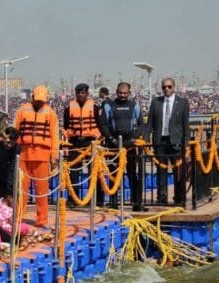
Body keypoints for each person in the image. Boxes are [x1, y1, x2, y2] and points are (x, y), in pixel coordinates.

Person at [14, 84, 59, 228]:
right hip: (24, 154)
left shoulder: (51, 113)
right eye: (37, 100)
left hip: (42, 156)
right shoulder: (22, 110)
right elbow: (15, 132)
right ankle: (18, 218)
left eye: (42, 100)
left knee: (42, 191)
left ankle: (42, 220)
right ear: (32, 97)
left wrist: (54, 157)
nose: (39, 102)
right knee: (22, 190)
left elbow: (54, 137)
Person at [99, 82, 146, 212]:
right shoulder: (109, 105)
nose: (122, 95)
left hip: (129, 147)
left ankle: (136, 203)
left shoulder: (134, 105)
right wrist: (112, 140)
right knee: (113, 175)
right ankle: (114, 203)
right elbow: (103, 125)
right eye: (120, 93)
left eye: (125, 93)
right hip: (113, 146)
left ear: (129, 93)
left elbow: (142, 124)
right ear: (116, 91)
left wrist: (133, 139)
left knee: (132, 174)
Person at [146, 77, 190, 207]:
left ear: (174, 87)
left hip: (176, 142)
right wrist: (145, 139)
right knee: (161, 172)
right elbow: (150, 123)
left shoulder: (182, 103)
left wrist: (186, 145)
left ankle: (179, 198)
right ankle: (162, 198)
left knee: (178, 172)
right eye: (164, 87)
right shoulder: (156, 102)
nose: (166, 89)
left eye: (169, 86)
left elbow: (185, 125)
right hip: (160, 142)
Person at [63, 83, 103, 207]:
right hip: (75, 142)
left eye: (83, 93)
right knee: (74, 170)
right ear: (76, 94)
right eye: (79, 93)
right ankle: (73, 199)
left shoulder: (95, 108)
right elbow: (66, 125)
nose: (81, 95)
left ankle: (94, 199)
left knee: (93, 170)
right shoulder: (69, 108)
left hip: (90, 141)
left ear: (87, 93)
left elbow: (100, 124)